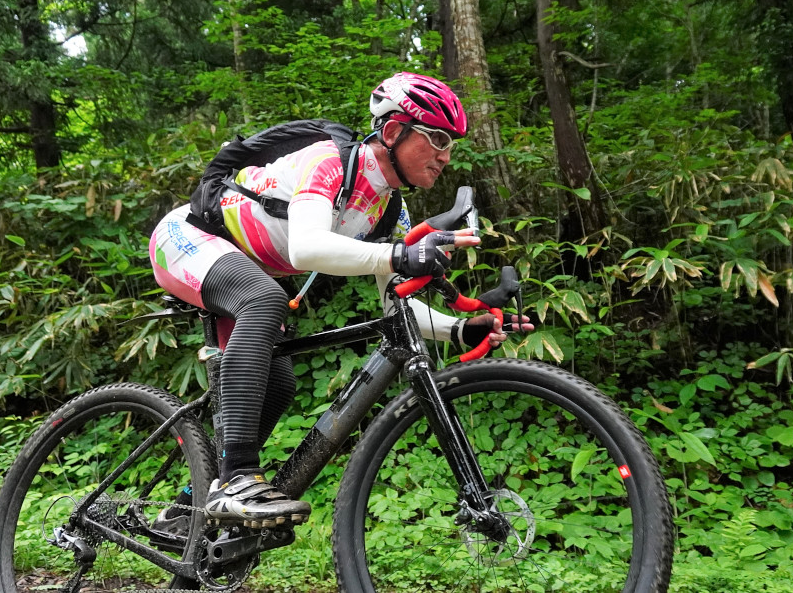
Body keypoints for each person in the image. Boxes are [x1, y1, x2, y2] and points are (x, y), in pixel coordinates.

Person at [147, 72, 532, 528]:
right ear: (393, 131)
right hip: (188, 238)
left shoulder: (390, 208)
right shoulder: (330, 162)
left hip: (243, 265)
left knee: (280, 382)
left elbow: (397, 307)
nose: (446, 157)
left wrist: (461, 327)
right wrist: (399, 254)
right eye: (438, 139)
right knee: (265, 299)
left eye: (451, 146)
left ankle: (188, 508)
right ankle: (235, 480)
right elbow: (306, 248)